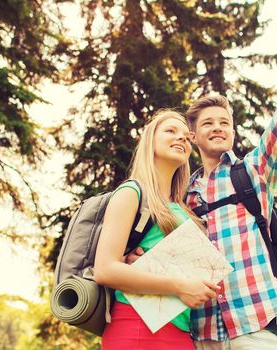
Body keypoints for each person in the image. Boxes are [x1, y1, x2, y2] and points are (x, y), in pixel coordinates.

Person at [182, 9, 277, 350]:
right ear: (193, 136)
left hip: (254, 323)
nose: (217, 127)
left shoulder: (254, 171)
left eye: (224, 122)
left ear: (233, 131)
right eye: (207, 123)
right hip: (201, 331)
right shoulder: (184, 195)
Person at [93, 110, 220, 350]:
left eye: (185, 135)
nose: (182, 138)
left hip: (181, 331)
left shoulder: (182, 208)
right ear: (150, 141)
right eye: (171, 131)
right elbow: (105, 269)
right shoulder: (132, 193)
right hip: (136, 327)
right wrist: (181, 286)